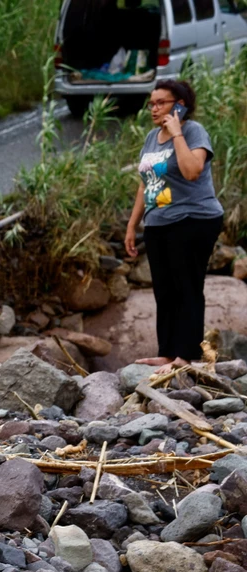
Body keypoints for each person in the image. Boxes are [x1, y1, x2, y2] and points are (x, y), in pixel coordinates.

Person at [123, 79, 223, 374]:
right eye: (151, 103)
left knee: (187, 286)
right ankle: (167, 353)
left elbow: (192, 171)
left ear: (180, 105)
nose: (153, 108)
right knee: (164, 290)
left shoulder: (193, 131)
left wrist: (177, 132)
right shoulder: (152, 137)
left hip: (194, 218)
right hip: (158, 221)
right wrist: (133, 225)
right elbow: (146, 183)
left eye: (160, 103)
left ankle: (186, 354)